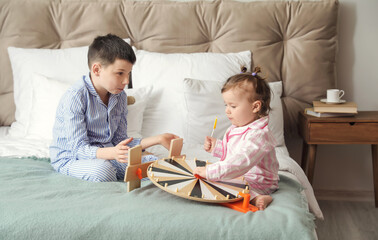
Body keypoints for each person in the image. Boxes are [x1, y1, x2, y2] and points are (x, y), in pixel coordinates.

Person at [49, 34, 178, 182]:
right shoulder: (75, 97)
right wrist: (113, 153)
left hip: (109, 154)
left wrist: (158, 139)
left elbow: (120, 141)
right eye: (120, 73)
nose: (126, 81)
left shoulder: (120, 97)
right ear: (96, 70)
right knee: (103, 171)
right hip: (72, 158)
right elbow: (79, 149)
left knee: (153, 163)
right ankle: (117, 173)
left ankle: (123, 169)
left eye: (129, 74)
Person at [193, 67, 279, 210]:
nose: (227, 110)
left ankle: (258, 196)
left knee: (220, 182)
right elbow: (234, 152)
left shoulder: (259, 135)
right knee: (217, 181)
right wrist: (217, 147)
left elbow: (241, 161)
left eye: (233, 106)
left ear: (255, 107)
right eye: (226, 105)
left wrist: (210, 171)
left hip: (259, 181)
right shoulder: (238, 127)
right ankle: (252, 195)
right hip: (242, 174)